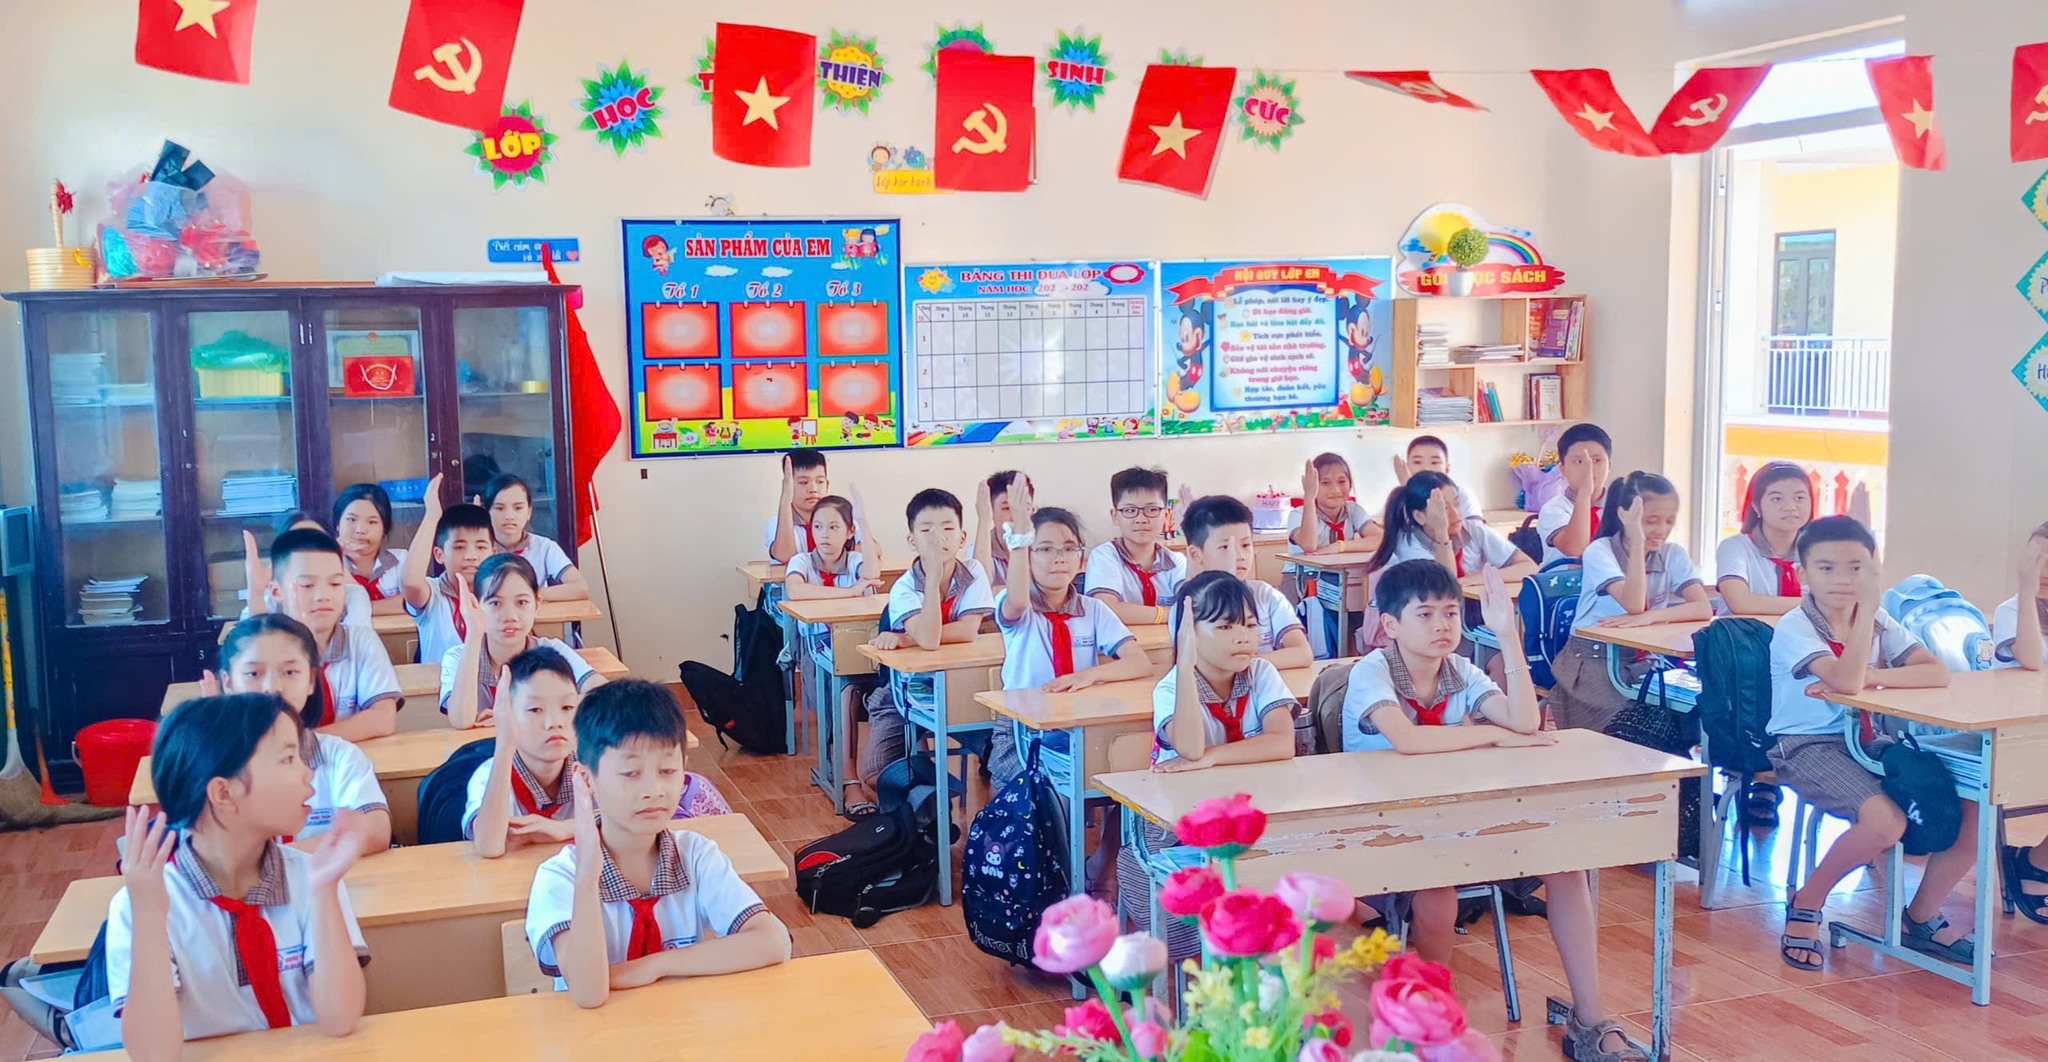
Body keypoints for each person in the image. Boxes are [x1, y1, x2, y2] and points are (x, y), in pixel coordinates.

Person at [1341, 559, 1640, 1059]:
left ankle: (1590, 1018)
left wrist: (1507, 636)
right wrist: (1491, 736)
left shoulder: (1459, 670)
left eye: (1451, 613)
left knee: (1567, 867)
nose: (1442, 625)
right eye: (1425, 614)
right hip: (1388, 828)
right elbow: (1408, 740)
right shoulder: (1372, 671)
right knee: (1438, 888)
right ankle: (1434, 1017)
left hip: (1462, 818)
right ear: (1390, 625)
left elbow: (1524, 721)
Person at [107, 695, 368, 1055]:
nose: (308, 772)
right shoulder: (141, 904)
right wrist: (149, 916)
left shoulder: (312, 877)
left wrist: (324, 892)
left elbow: (340, 1020)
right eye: (288, 759)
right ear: (224, 793)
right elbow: (154, 1054)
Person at [1769, 516, 1972, 971]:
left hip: (1870, 743)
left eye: (1856, 568)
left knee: (1970, 806)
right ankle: (1808, 900)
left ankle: (1920, 917)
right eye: (1826, 568)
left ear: (1874, 569)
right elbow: (1844, 680)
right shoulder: (1795, 626)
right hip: (1808, 746)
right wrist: (1865, 629)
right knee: (1886, 823)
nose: (1842, 579)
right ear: (1803, 574)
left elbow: (1935, 671)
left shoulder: (1878, 619)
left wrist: (1874, 677)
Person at [524, 680, 790, 1007]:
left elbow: (771, 942)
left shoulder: (695, 855)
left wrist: (654, 966)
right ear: (585, 777)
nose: (654, 790)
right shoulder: (560, 877)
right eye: (630, 773)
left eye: (667, 770)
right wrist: (588, 877)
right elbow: (588, 994)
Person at [988, 482, 1151, 788]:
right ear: (1027, 556)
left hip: (1078, 722)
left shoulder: (1093, 609)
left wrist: (1088, 676)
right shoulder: (1018, 606)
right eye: (1045, 549)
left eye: (1068, 548)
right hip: (1022, 728)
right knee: (1042, 795)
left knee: (1120, 772)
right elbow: (1018, 601)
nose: (1059, 557)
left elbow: (1139, 662)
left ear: (1081, 558)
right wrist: (1020, 539)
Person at [849, 489, 996, 814]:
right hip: (902, 693)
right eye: (926, 530)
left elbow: (967, 631)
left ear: (962, 537)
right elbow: (931, 639)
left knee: (1001, 756)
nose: (937, 538)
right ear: (911, 540)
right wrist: (931, 582)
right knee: (874, 776)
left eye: (947, 528)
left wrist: (907, 638)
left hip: (964, 690)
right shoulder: (904, 586)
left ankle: (971, 823)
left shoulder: (974, 572)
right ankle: (930, 807)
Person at [208, 615, 391, 857]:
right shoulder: (209, 763)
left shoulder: (338, 756)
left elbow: (375, 829)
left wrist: (270, 865)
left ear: (311, 680)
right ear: (228, 683)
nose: (273, 687)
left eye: (289, 672)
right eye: (253, 674)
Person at [1546, 473, 1712, 734]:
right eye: (1651, 521)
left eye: (1670, 521)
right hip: (1592, 663)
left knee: (1689, 716)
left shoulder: (1673, 553)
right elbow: (1634, 605)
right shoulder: (1599, 551)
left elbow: (1702, 607)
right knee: (1628, 730)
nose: (1662, 530)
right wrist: (1637, 541)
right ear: (1625, 516)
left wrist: (1651, 616)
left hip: (1645, 659)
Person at [248, 528, 403, 743]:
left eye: (335, 584)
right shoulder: (263, 649)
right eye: (307, 585)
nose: (323, 596)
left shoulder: (361, 641)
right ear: (276, 592)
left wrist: (301, 743)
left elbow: (383, 718)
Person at [1151, 571, 1299, 772]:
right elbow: (1191, 751)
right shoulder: (1169, 689)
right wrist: (1184, 667)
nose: (1243, 637)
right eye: (1226, 627)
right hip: (1191, 790)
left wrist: (1213, 755)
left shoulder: (1261, 672)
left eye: (1250, 625)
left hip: (1253, 786)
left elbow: (1283, 743)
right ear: (1189, 632)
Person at [442, 554, 601, 730]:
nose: (510, 616)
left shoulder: (552, 650)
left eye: (521, 602)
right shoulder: (458, 656)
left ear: (537, 604)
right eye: (495, 603)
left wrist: (513, 715)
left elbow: (602, 694)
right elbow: (461, 720)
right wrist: (473, 634)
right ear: (476, 605)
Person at [467, 647, 582, 856]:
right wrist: (504, 744)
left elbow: (636, 822)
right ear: (506, 714)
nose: (554, 722)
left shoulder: (593, 768)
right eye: (535, 709)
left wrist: (566, 828)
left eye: (567, 707)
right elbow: (489, 846)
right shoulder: (487, 776)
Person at [1180, 495, 1311, 668]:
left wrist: (1243, 664)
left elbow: (1303, 653)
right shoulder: (1190, 604)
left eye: (1245, 545)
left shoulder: (1265, 595)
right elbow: (1193, 663)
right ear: (1196, 554)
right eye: (1225, 547)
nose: (1239, 556)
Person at [1991, 524, 2048, 919]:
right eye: (2037, 560)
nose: (2044, 571)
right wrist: (2027, 591)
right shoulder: (2013, 609)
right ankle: (2034, 864)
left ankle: (2034, 861)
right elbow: (2031, 660)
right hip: (2020, 737)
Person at [1287, 453, 1381, 657]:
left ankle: (1352, 656)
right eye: (1325, 483)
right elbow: (1309, 544)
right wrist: (1309, 498)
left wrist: (1340, 546)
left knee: (1360, 608)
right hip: (1301, 580)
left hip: (1343, 579)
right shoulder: (1298, 513)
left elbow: (1379, 539)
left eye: (1342, 481)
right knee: (1308, 625)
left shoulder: (1353, 510)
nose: (1336, 490)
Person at [1369, 472, 1535, 585]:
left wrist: (1476, 579)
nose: (1455, 513)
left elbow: (1529, 567)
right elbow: (1447, 586)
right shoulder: (1408, 545)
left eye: (1456, 503)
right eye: (1443, 508)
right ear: (1420, 516)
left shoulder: (1473, 530)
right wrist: (1441, 533)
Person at [399, 476, 496, 667]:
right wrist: (432, 515)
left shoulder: (499, 593)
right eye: (459, 547)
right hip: (437, 685)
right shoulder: (432, 595)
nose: (471, 556)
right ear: (439, 554)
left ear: (494, 553)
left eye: (480, 547)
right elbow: (410, 583)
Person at [1085, 467, 1187, 627]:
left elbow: (1194, 605)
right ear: (1115, 516)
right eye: (1130, 510)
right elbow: (1106, 610)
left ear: (1167, 515)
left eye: (1152, 509)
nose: (1141, 519)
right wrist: (1171, 614)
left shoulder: (1176, 561)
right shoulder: (1104, 556)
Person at [1716, 461, 1813, 616]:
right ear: (1756, 506)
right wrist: (1818, 606)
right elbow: (1741, 603)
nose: (1790, 506)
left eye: (1800, 498)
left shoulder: (1819, 552)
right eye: (1777, 499)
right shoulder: (1735, 547)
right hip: (1745, 632)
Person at [481, 474, 589, 601]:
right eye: (499, 508)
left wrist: (528, 595)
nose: (509, 516)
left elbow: (581, 588)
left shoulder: (545, 547)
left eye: (518, 508)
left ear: (529, 512)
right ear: (486, 512)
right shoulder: (478, 548)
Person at [768, 448, 864, 563]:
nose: (813, 489)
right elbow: (784, 556)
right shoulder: (777, 523)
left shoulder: (844, 519)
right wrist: (785, 500)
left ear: (827, 485)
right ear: (788, 486)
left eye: (820, 482)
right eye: (803, 482)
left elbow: (874, 550)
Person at [1539, 423, 1613, 565]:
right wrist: (1585, 494)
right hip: (1564, 579)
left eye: (1596, 461)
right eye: (1579, 461)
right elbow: (1575, 548)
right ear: (1562, 469)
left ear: (1609, 465)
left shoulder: (1620, 506)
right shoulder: (1554, 509)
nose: (1588, 468)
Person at [782, 496, 881, 601]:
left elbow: (872, 574)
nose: (824, 534)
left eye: (833, 527)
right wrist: (852, 591)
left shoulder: (854, 560)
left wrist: (862, 521)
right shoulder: (800, 561)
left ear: (850, 532)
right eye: (818, 527)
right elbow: (794, 591)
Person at [331, 483, 408, 616]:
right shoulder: (325, 563)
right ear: (338, 524)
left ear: (385, 528)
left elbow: (412, 603)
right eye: (351, 519)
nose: (360, 530)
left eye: (372, 522)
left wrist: (358, 608)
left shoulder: (401, 559)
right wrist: (336, 558)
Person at [1395, 435, 1481, 520]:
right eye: (1417, 462)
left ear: (1446, 469)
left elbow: (1472, 527)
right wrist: (1409, 492)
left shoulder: (1461, 495)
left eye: (1434, 462)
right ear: (1407, 467)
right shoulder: (1399, 498)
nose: (1426, 468)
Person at [969, 470, 1029, 584]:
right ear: (991, 511)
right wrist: (984, 520)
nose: (1015, 516)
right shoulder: (978, 550)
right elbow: (981, 588)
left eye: (1023, 507)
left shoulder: (1041, 546)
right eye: (1006, 508)